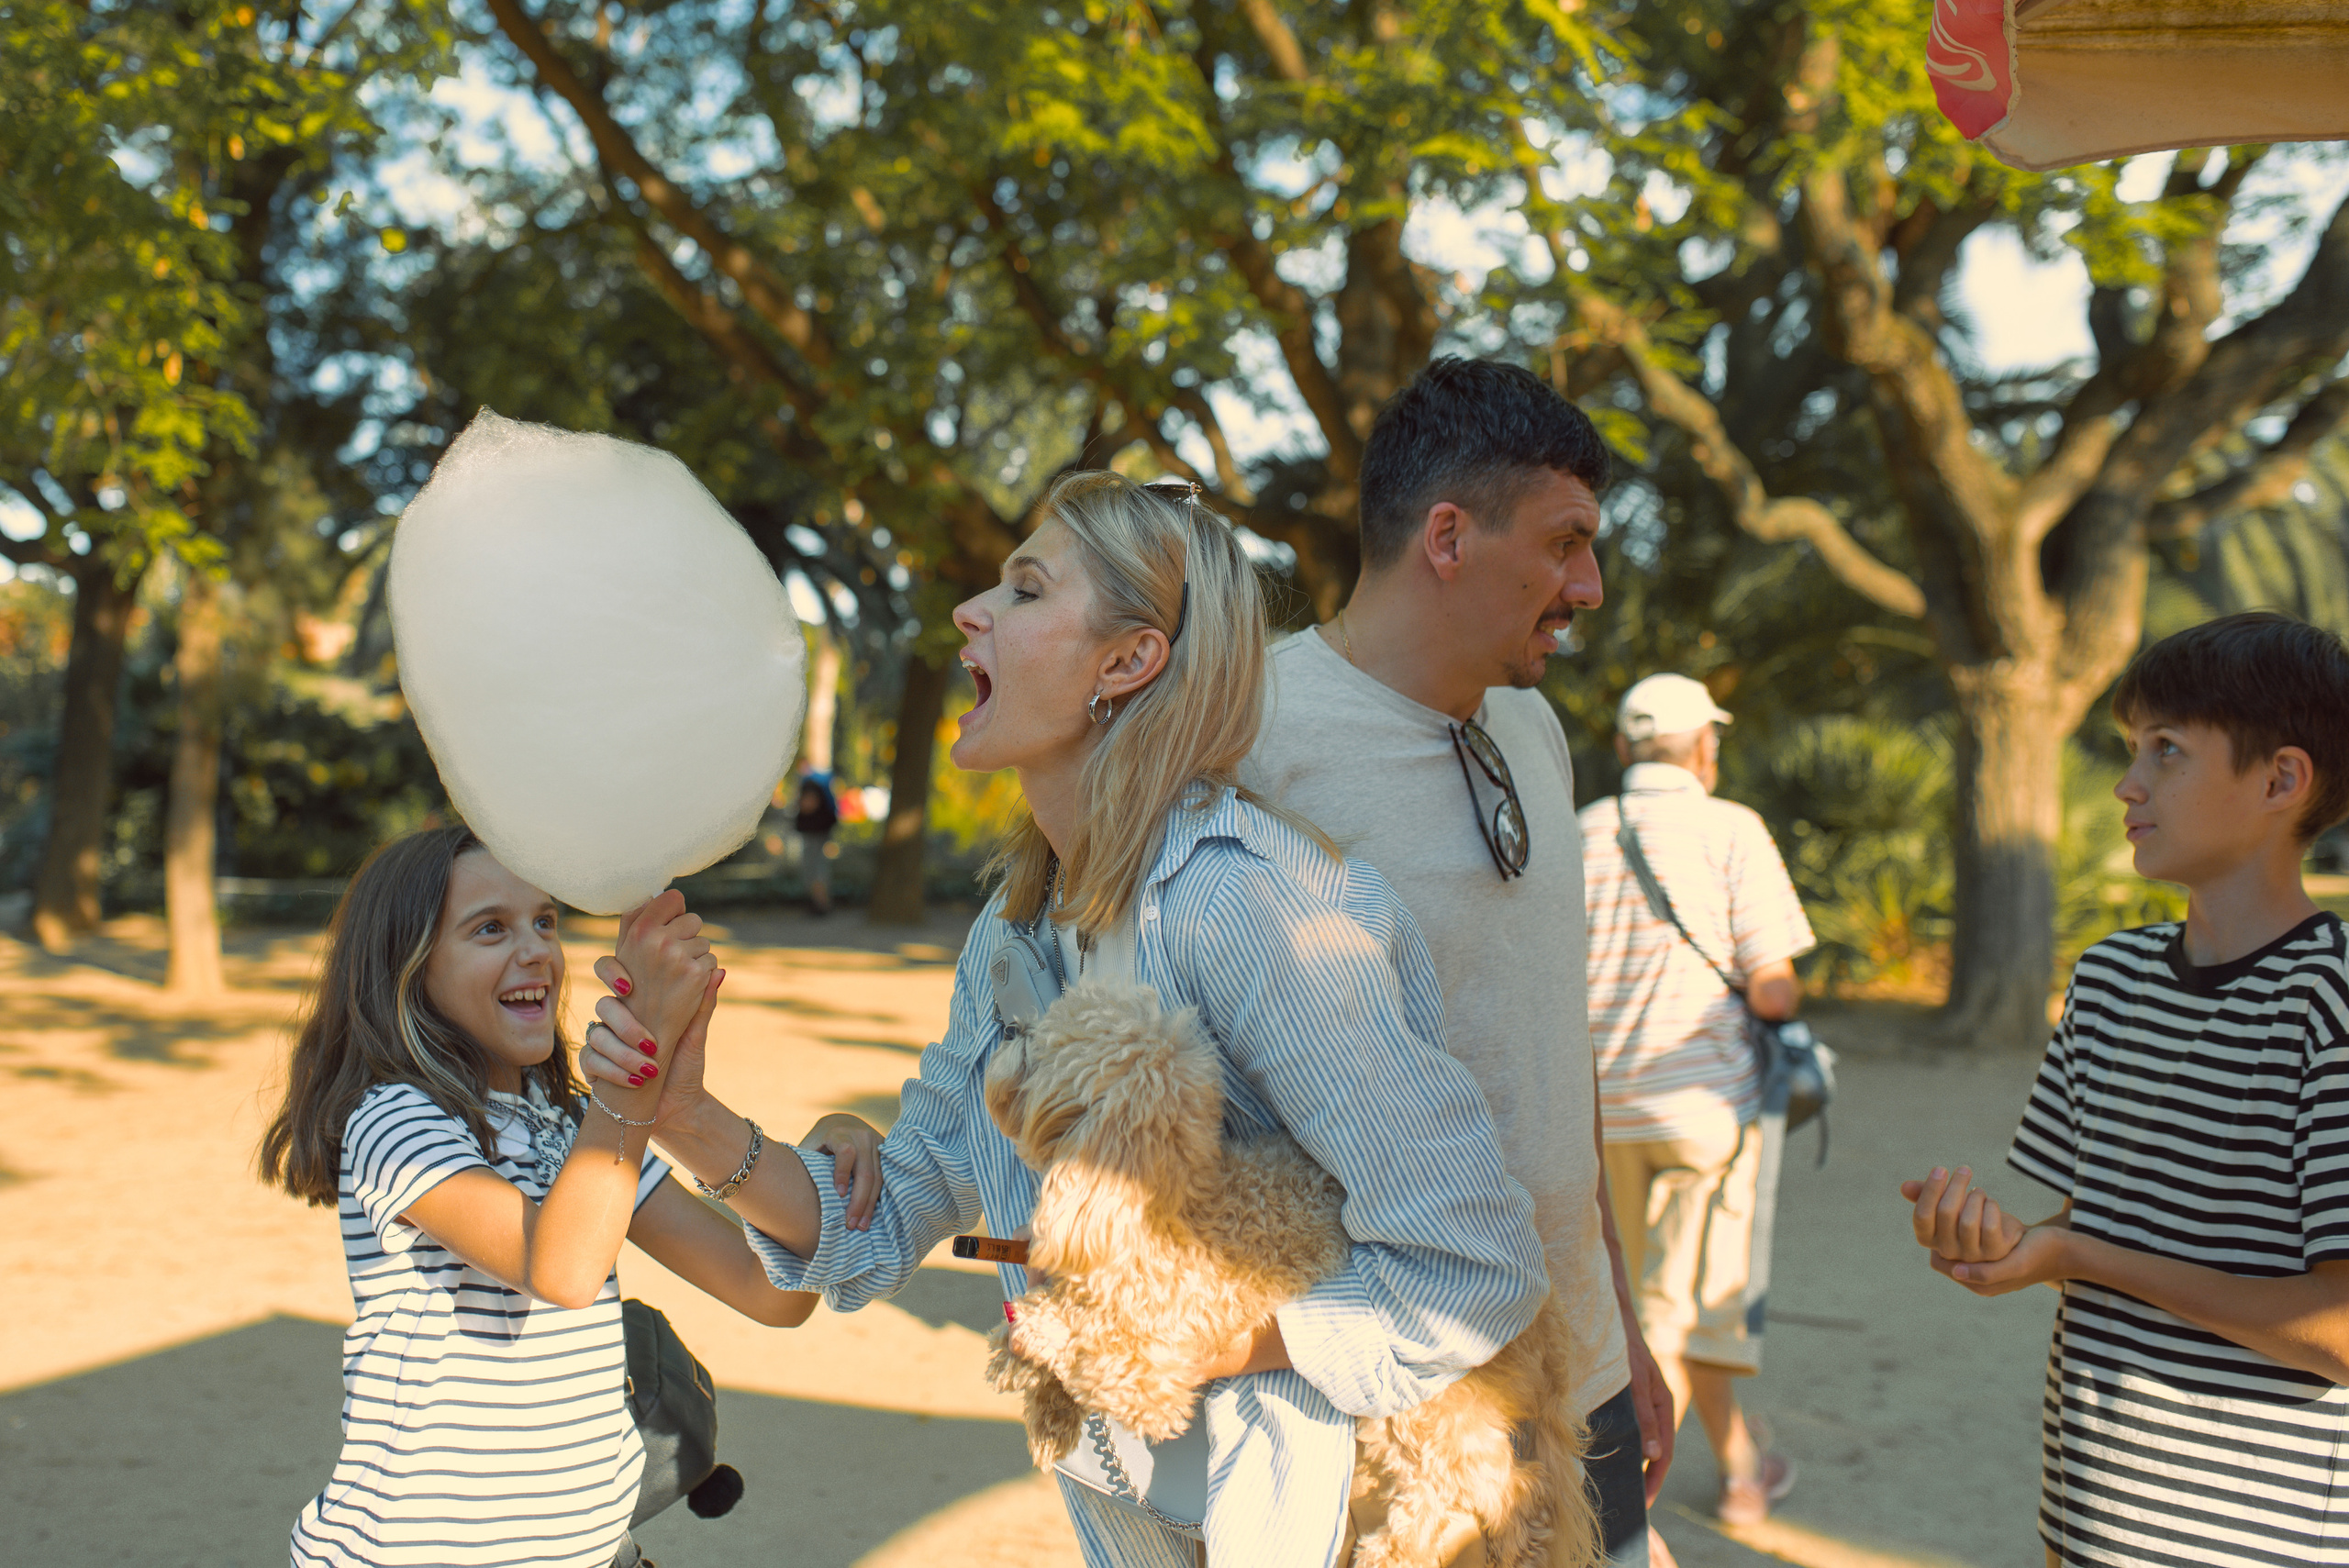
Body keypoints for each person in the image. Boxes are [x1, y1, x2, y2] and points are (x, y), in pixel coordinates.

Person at [575, 472, 1553, 1568]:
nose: (971, 611)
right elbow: (882, 1219)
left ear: (1126, 662)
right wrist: (683, 1111)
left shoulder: (1248, 906)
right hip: (1129, 1503)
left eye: (1025, 589)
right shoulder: (1015, 925)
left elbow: (1474, 1266)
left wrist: (1225, 1334)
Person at [1243, 356, 1670, 1566]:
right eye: (1567, 542)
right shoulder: (1249, 739)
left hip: (1577, 1370)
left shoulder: (1533, 726)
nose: (1588, 587)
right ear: (1448, 535)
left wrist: (1621, 1329)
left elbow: (1552, 1043)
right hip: (1390, 1401)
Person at [259, 826, 882, 1568]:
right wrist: (636, 1071)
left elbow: (770, 1293)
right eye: (491, 927)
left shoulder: (569, 1128)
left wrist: (815, 1163)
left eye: (545, 921)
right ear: (409, 968)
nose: (537, 951)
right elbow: (561, 1266)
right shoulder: (393, 1116)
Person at [1898, 611, 2349, 1568]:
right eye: (2131, 747)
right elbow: (2090, 1215)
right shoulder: (2108, 978)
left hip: (2257, 1540)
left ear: (2280, 779)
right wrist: (2014, 1244)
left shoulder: (2329, 1007)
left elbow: (2340, 1332)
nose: (2127, 783)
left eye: (2167, 751)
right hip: (2088, 1515)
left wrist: (2080, 1253)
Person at [1578, 673, 1815, 1527]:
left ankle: (1745, 1467)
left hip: (1599, 1114)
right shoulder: (1732, 829)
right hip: (1705, 1112)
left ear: (1620, 750)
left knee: (1628, 1304)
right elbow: (1775, 988)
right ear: (1705, 749)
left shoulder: (1579, 832)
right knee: (1682, 1313)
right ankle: (1617, 1506)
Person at [793, 774, 840, 915]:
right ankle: (820, 903)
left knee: (816, 870)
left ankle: (820, 904)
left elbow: (808, 807)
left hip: (815, 834)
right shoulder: (814, 786)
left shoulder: (810, 787)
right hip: (818, 833)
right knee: (817, 869)